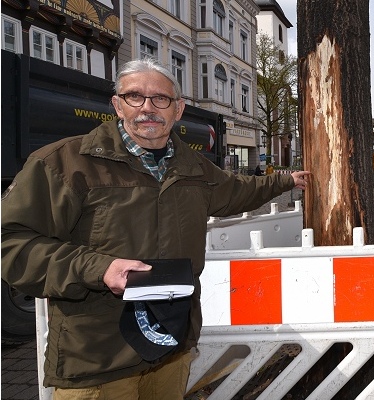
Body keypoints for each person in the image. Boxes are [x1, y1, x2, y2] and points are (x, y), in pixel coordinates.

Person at [1, 58, 310, 398]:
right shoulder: (63, 163)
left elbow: (241, 190)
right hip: (98, 359)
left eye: (160, 99)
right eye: (135, 96)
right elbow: (12, 243)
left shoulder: (194, 168)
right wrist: (99, 268)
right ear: (118, 105)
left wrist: (286, 180)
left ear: (177, 109)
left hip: (169, 350)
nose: (148, 108)